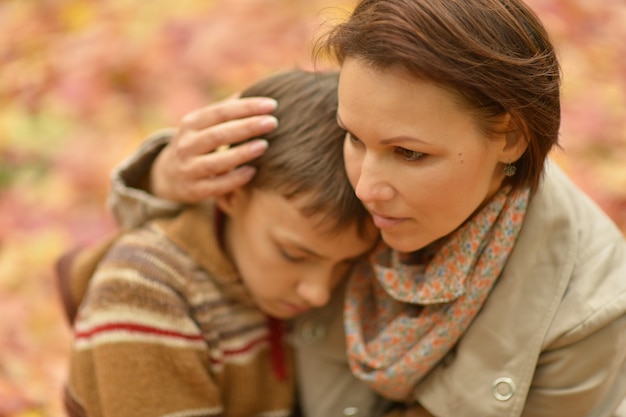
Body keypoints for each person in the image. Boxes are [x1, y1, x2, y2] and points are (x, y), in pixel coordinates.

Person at [104, 0, 626, 416]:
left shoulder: (585, 310)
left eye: (409, 154)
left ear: (509, 138)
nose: (366, 187)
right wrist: (164, 181)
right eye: (352, 136)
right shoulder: (387, 111)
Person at [57, 70, 380, 417]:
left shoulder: (272, 281)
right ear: (230, 192)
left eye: (344, 265)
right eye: (293, 255)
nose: (319, 293)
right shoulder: (146, 292)